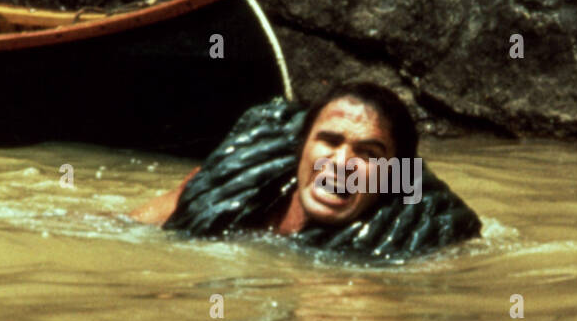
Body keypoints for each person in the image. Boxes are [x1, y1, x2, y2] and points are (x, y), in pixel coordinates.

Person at [130, 82, 480, 261]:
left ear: (395, 176)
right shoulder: (236, 183)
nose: (341, 164)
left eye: (368, 153)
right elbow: (123, 229)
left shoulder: (420, 235)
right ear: (301, 148)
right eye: (329, 142)